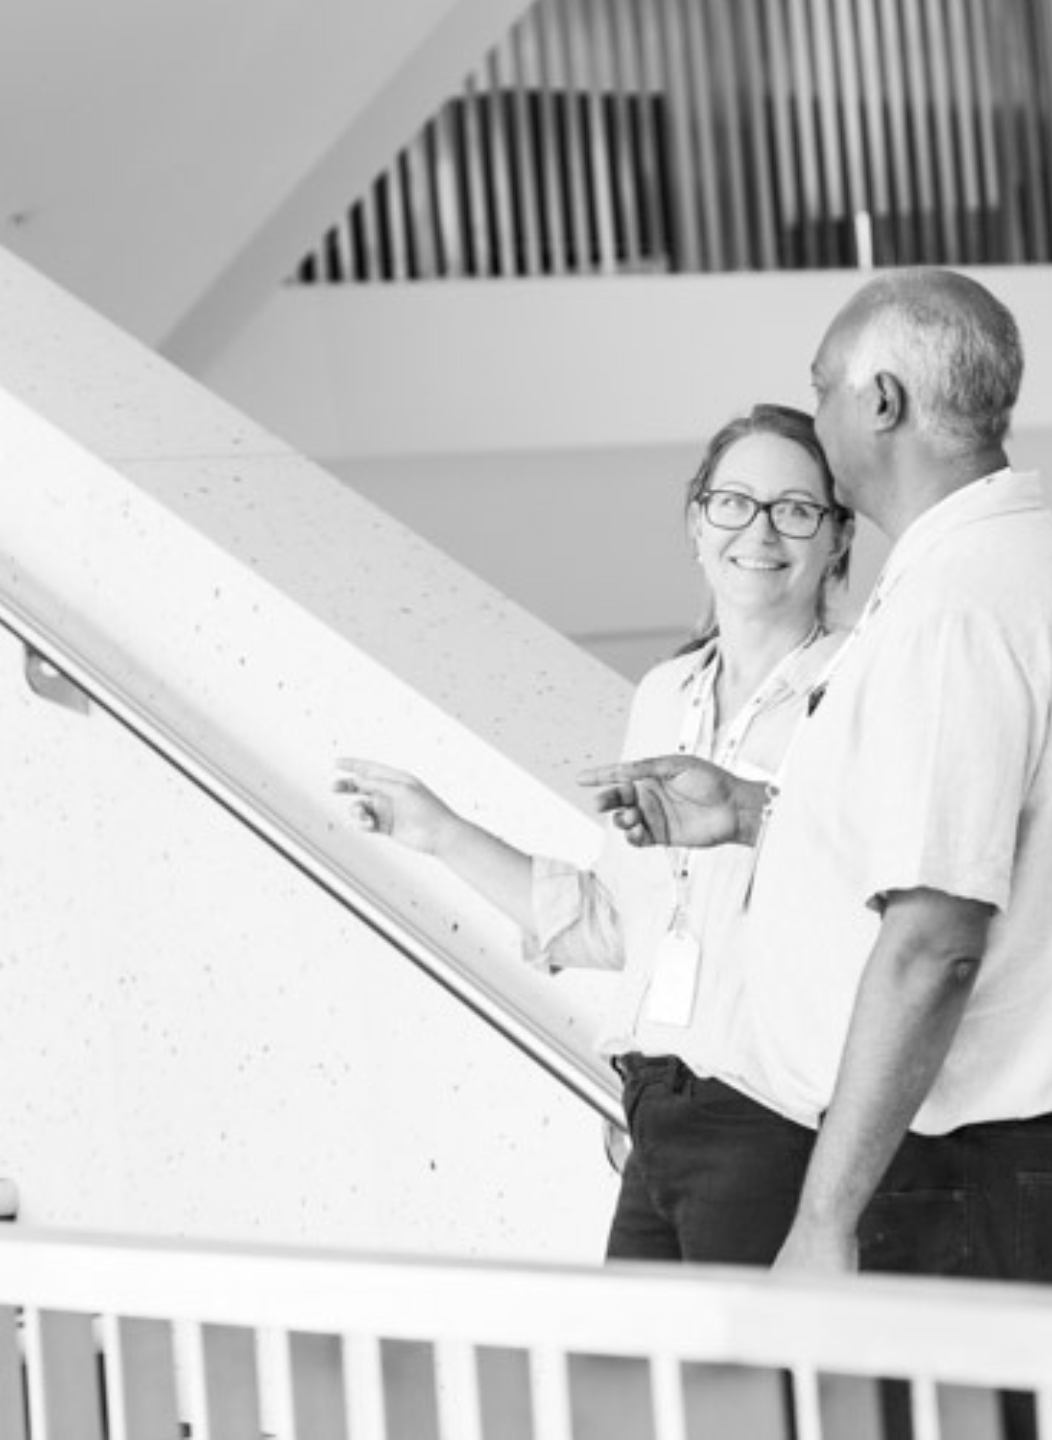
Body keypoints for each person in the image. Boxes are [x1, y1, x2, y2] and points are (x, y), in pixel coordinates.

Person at [582, 269, 1052, 1313]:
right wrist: (755, 814)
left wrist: (825, 1217)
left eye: (823, 385)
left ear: (881, 401)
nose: (820, 413)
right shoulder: (1004, 566)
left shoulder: (955, 605)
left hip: (960, 1169)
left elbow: (936, 939)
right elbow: (959, 836)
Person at [334, 403, 854, 1263]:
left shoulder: (858, 689)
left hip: (778, 1120)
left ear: (838, 538)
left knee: (745, 1359)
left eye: (796, 509)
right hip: (652, 1110)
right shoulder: (665, 694)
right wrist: (439, 832)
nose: (760, 531)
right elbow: (615, 922)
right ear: (696, 523)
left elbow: (876, 888)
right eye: (734, 502)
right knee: (628, 1355)